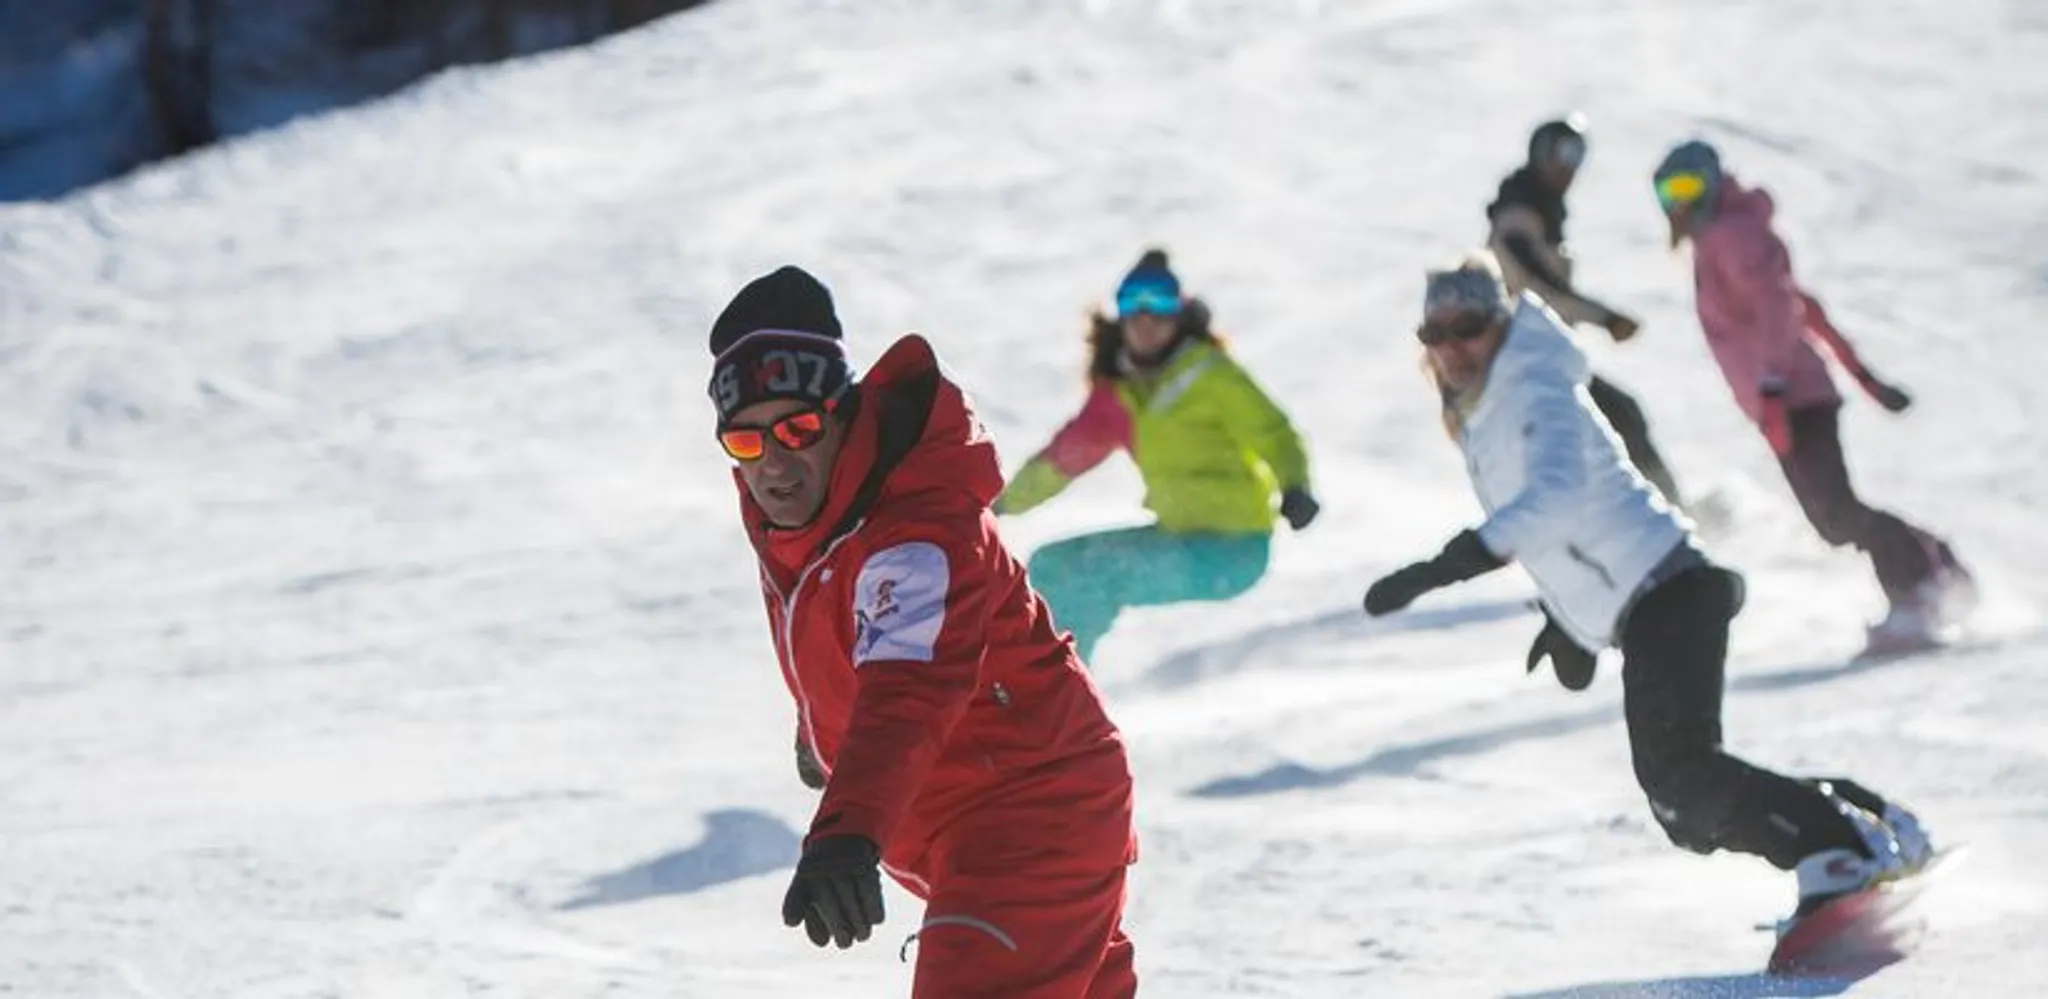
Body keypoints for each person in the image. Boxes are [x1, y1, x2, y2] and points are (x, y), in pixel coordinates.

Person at [1361, 250, 1933, 922]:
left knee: (1684, 780)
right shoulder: (1489, 411)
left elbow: (1557, 495)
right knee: (1683, 808)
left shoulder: (1533, 388)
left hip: (1670, 590)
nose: (1454, 347)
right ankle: (1868, 822)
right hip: (1653, 600)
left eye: (1469, 326)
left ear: (1500, 322)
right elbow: (1576, 530)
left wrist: (1450, 562)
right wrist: (1570, 620)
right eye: (1437, 333)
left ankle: (1837, 848)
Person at [707, 265, 1138, 997]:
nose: (774, 462)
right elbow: (837, 632)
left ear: (843, 415)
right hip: (979, 825)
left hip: (1029, 817)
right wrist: (822, 737)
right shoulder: (801, 515)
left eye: (798, 429)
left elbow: (910, 684)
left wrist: (848, 825)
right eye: (746, 442)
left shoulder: (917, 529)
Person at [1651, 139, 1974, 650]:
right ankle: (1936, 562)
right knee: (1833, 520)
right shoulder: (1721, 239)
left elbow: (1782, 309)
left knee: (1838, 513)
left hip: (1794, 396)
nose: (1679, 203)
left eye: (1689, 186)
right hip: (1783, 398)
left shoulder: (1732, 236)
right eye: (1668, 192)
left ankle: (1919, 589)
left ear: (1712, 183)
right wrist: (1863, 379)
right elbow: (1807, 308)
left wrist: (1775, 387)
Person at [994, 249, 1320, 661]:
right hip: (1179, 537)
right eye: (1133, 302)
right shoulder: (1119, 395)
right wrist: (999, 502)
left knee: (1086, 574)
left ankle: (1065, 697)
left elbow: (1273, 432)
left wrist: (1296, 486)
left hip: (1232, 549)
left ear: (1180, 312)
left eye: (1161, 302)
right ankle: (1055, 689)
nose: (1147, 318)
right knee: (1053, 567)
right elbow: (1063, 460)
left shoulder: (1209, 374)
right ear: (1121, 313)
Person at [1487, 113, 1686, 508]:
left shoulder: (1539, 216)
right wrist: (1606, 318)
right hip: (1526, 364)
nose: (1570, 166)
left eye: (1578, 154)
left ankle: (1660, 509)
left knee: (1612, 423)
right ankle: (1667, 512)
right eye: (1562, 152)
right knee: (1616, 419)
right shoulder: (1516, 220)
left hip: (1544, 359)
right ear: (1539, 153)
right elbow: (1541, 291)